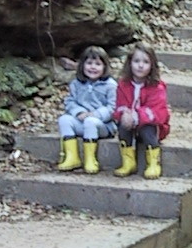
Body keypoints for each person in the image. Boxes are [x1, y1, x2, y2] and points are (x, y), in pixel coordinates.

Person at [57, 46, 118, 174]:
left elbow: (113, 107)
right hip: (82, 121)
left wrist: (95, 114)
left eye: (98, 64)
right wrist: (78, 112)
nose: (93, 67)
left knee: (90, 122)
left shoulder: (110, 85)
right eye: (89, 63)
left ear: (105, 67)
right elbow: (70, 102)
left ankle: (90, 159)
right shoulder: (76, 84)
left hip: (104, 126)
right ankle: (72, 157)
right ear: (82, 65)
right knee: (64, 120)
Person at [113, 44, 171, 180]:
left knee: (147, 128)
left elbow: (159, 113)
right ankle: (128, 161)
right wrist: (124, 114)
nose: (140, 66)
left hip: (152, 126)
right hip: (130, 125)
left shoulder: (157, 87)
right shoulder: (123, 84)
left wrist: (136, 116)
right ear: (130, 63)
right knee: (122, 126)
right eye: (136, 61)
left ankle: (153, 163)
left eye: (145, 62)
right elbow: (119, 106)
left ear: (152, 65)